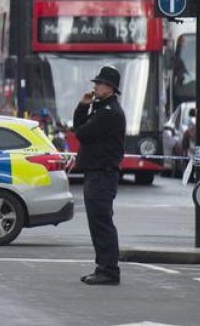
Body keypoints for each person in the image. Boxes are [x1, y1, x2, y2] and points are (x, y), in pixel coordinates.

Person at [73, 64, 126, 286]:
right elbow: (81, 130)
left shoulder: (109, 113)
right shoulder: (103, 108)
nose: (96, 87)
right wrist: (84, 106)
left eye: (100, 83)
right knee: (98, 222)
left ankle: (109, 270)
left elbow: (81, 133)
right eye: (96, 83)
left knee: (101, 223)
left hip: (102, 174)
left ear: (110, 87)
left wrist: (83, 108)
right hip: (97, 173)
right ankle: (103, 267)